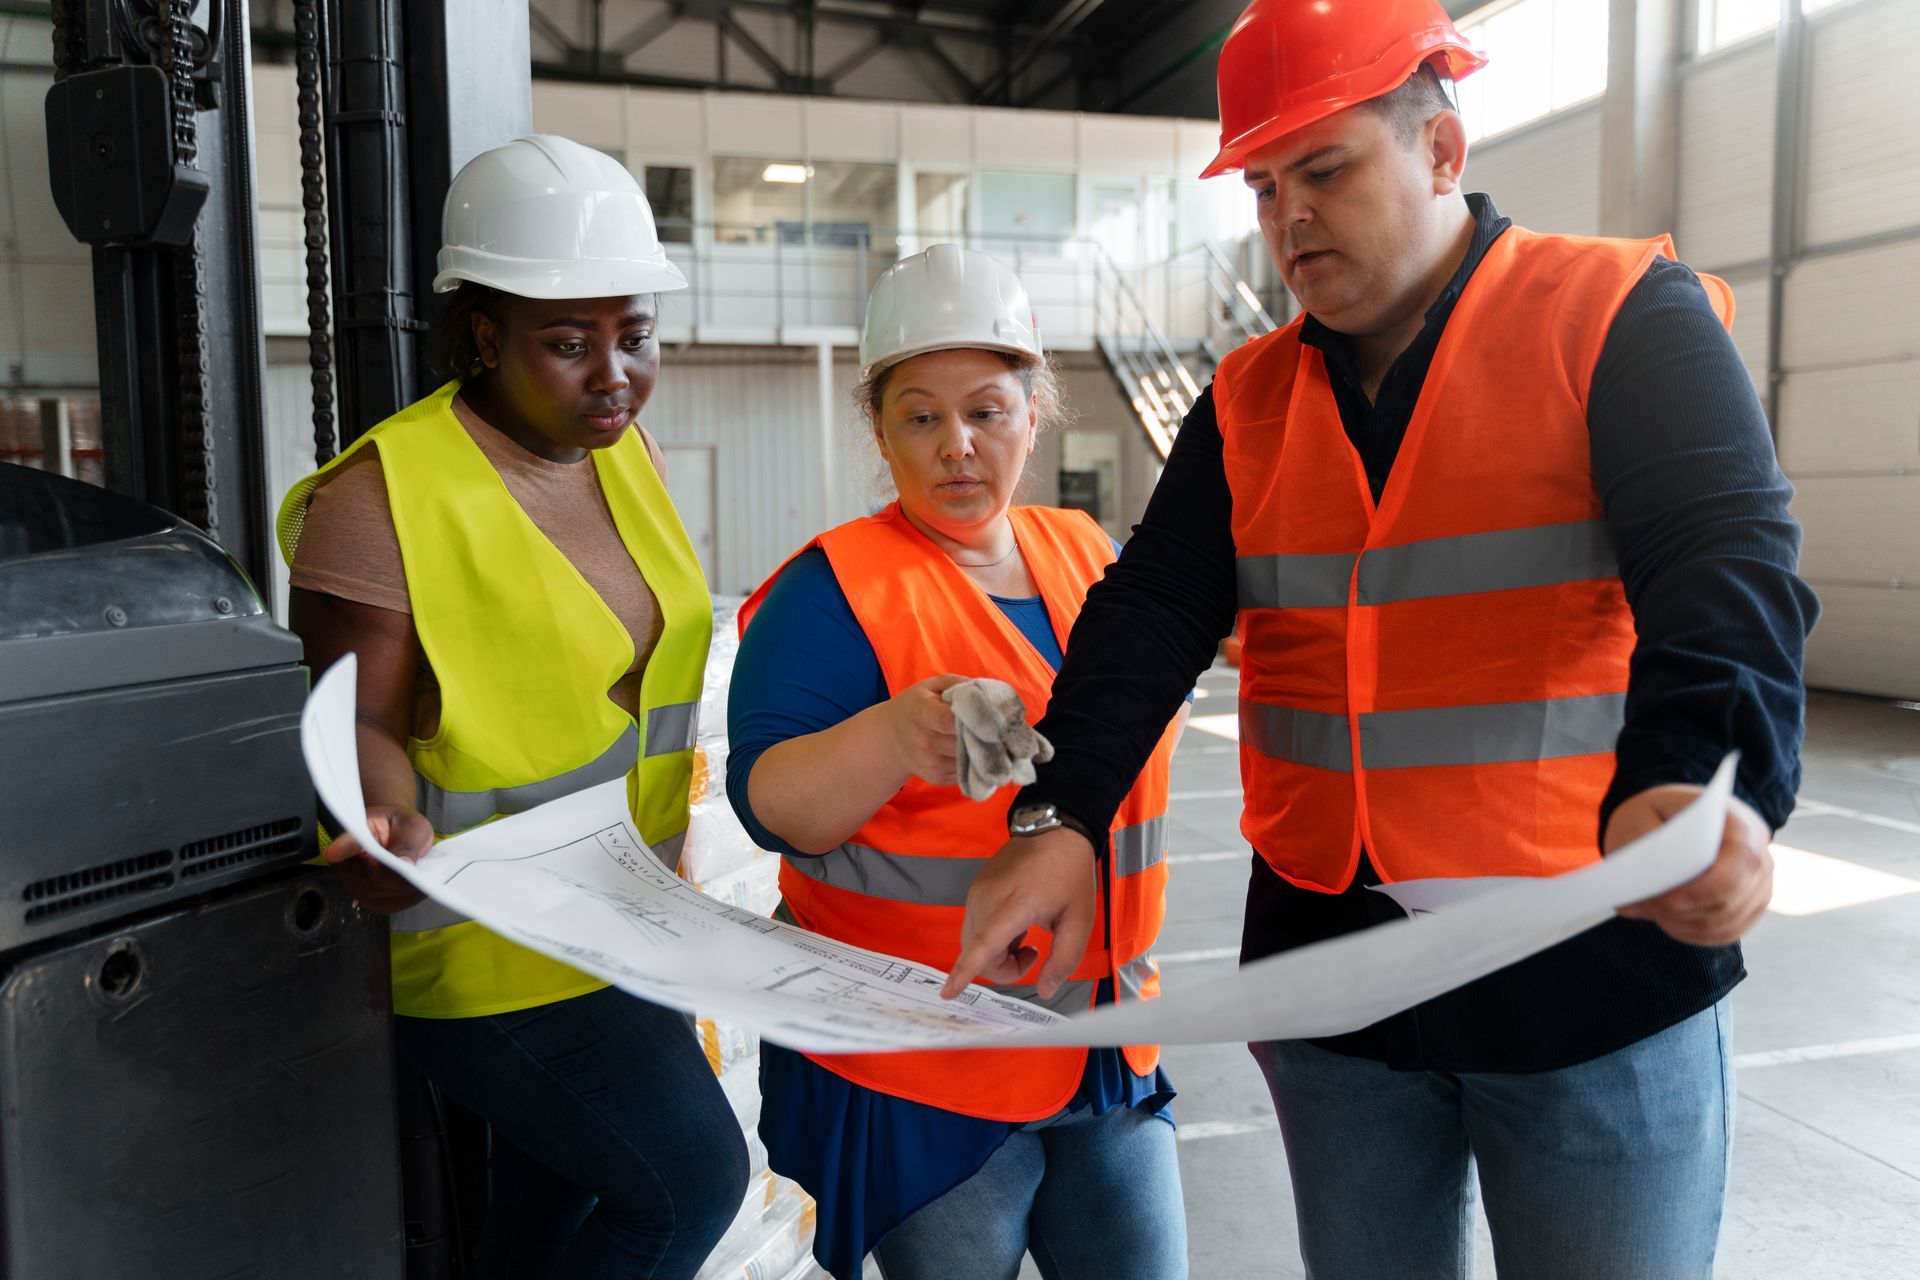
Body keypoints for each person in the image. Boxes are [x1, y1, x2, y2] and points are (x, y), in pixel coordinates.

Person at [945, 1, 1820, 1276]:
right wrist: (1060, 811)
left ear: (1444, 150)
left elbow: (1725, 559)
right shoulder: (1249, 397)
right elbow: (1153, 607)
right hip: (1331, 975)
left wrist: (1700, 774)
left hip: (1588, 958)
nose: (1288, 219)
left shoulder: (1617, 313)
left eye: (1327, 169)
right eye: (1262, 185)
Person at [279, 134, 748, 1279]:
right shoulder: (385, 494)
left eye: (634, 336)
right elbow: (359, 718)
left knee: (546, 1216)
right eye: (567, 343)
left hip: (624, 917)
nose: (613, 375)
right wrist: (381, 819)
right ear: (484, 335)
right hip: (487, 948)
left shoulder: (621, 453)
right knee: (690, 1183)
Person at [726, 244, 1190, 1280]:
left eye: (986, 409)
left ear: (1035, 410)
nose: (957, 447)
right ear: (878, 430)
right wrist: (892, 738)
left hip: (1109, 1042)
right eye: (920, 416)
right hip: (927, 1069)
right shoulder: (831, 592)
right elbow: (772, 804)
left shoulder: (1093, 557)